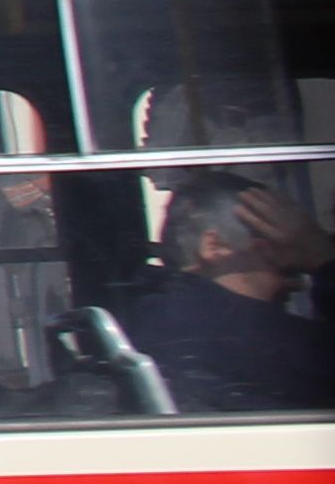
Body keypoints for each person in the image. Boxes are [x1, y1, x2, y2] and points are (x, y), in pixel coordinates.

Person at [106, 173, 335, 416]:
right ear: (214, 246)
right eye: (276, 252)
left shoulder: (151, 313)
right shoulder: (238, 333)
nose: (294, 279)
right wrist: (322, 259)